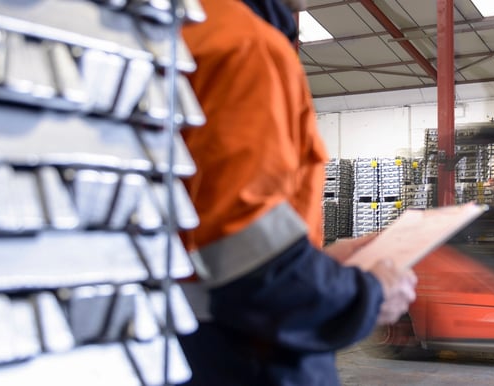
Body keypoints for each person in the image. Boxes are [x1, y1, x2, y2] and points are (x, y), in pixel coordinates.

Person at [178, 0, 418, 385]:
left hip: (178, 347)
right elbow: (254, 269)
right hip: (245, 358)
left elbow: (210, 223)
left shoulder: (171, 29)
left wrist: (319, 261)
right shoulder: (243, 44)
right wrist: (368, 293)